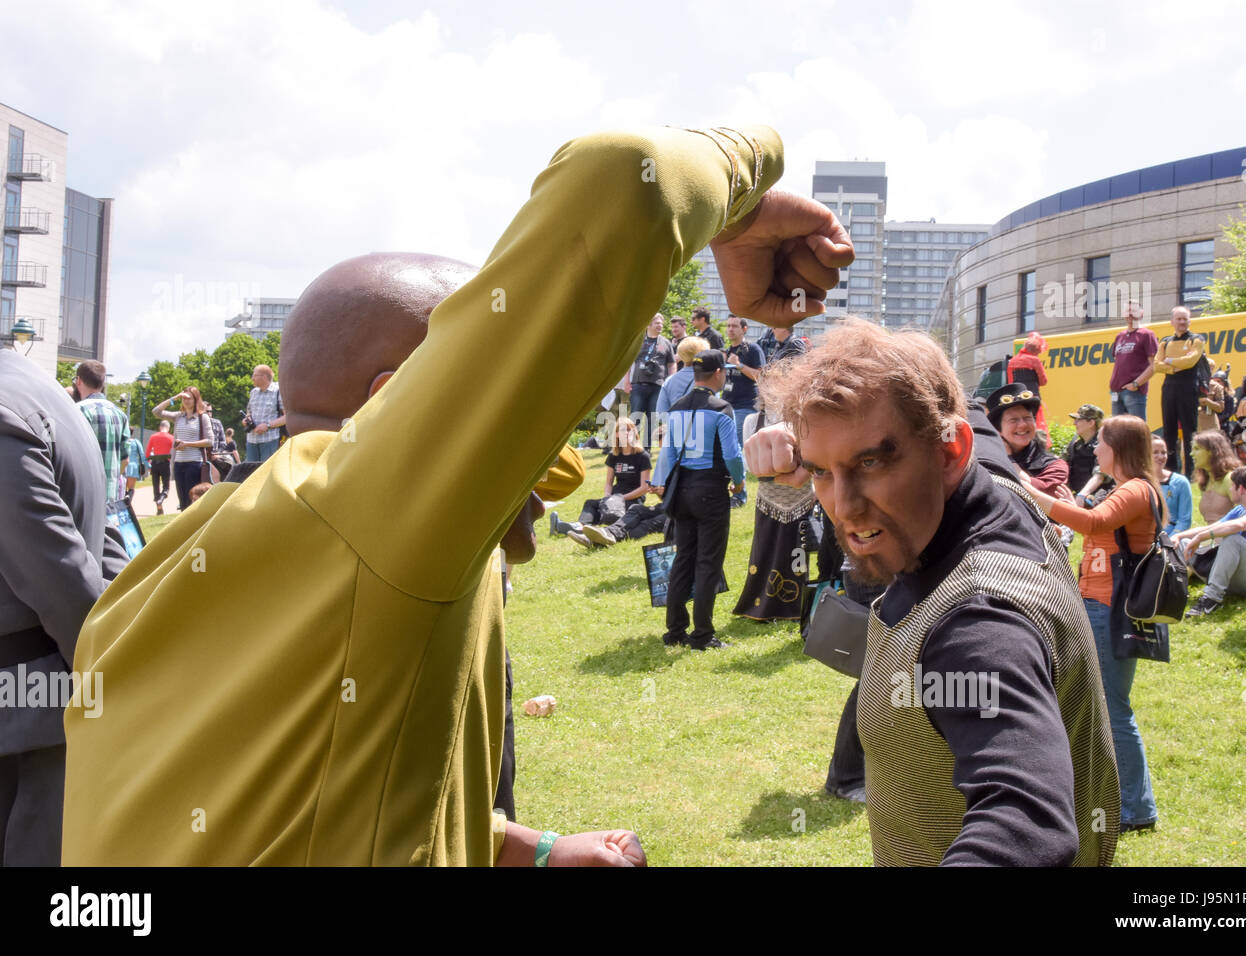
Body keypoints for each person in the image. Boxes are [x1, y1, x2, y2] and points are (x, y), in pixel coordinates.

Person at [63, 122, 853, 865]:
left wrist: (524, 847)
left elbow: (322, 788)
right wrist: (736, 208)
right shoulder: (367, 512)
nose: (541, 453)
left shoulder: (186, 554)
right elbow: (625, 176)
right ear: (393, 403)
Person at [749, 320, 1119, 866]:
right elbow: (949, 403)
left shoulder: (977, 621)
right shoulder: (999, 484)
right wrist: (814, 430)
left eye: (870, 462)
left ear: (950, 452)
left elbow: (1026, 819)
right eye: (822, 471)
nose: (844, 508)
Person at [0, 345, 126, 865]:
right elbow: (107, 544)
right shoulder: (39, 384)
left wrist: (110, 675)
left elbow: (65, 582)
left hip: (26, 721)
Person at [1020, 415, 1162, 834]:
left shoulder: (1135, 488)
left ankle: (1135, 810)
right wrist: (1072, 503)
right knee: (1109, 706)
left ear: (1117, 447)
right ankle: (1125, 802)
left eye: (1101, 442)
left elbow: (1096, 525)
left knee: (1114, 709)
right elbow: (1094, 522)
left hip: (1108, 607)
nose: (1095, 449)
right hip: (1100, 604)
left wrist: (1032, 493)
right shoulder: (1127, 489)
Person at [652, 350, 747, 650]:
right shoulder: (722, 409)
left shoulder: (677, 407)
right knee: (708, 562)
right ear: (718, 373)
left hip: (681, 491)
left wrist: (660, 483)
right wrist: (740, 481)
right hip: (710, 490)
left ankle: (675, 630)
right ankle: (703, 634)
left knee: (683, 558)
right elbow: (732, 454)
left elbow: (667, 453)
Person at [732, 405, 816, 621]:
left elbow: (814, 456)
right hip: (768, 498)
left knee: (798, 552)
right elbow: (750, 461)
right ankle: (760, 603)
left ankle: (796, 605)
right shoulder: (753, 420)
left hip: (801, 497)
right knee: (764, 550)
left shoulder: (806, 418)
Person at [1175, 466, 1246, 619]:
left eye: (1232, 486)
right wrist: (1178, 537)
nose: (1230, 489)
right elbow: (1212, 527)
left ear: (1241, 489)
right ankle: (1175, 590)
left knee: (1233, 540)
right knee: (1184, 543)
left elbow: (1238, 526)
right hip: (1238, 579)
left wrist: (1201, 537)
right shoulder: (1240, 509)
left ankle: (1211, 599)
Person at [551, 417, 651, 538]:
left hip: (633, 499)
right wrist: (607, 498)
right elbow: (609, 483)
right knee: (591, 503)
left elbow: (644, 487)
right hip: (615, 496)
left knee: (620, 511)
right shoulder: (614, 456)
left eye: (630, 430)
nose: (627, 433)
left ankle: (597, 528)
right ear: (617, 434)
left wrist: (621, 498)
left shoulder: (643, 456)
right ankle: (580, 526)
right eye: (624, 430)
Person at [985, 382, 1071, 501]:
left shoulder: (1055, 466)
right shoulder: (985, 462)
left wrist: (1009, 460)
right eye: (1013, 420)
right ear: (997, 429)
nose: (1023, 425)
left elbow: (1036, 494)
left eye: (1027, 418)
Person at [1153, 306, 1206, 475]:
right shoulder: (1165, 341)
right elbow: (1156, 365)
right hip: (1169, 388)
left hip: (1188, 387)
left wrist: (1169, 361)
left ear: (1189, 321)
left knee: (1190, 431)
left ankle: (1191, 472)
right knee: (1169, 431)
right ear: (1172, 322)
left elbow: (1190, 361)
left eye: (1185, 319)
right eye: (1179, 319)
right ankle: (1169, 470)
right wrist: (1174, 368)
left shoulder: (1196, 339)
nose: (1182, 322)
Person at [72, 360, 129, 505]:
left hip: (83, 495)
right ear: (102, 383)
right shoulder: (120, 414)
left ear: (78, 381)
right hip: (111, 495)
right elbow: (125, 460)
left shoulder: (77, 411)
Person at [151, 386, 213, 511]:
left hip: (194, 463)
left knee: (192, 499)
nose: (186, 401)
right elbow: (156, 411)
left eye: (189, 398)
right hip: (179, 463)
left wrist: (187, 444)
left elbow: (210, 441)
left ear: (196, 399)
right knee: (182, 501)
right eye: (183, 398)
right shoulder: (179, 416)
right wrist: (174, 398)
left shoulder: (202, 417)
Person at [627, 314, 675, 448]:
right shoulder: (639, 341)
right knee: (635, 416)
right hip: (638, 384)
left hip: (658, 386)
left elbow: (671, 364)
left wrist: (671, 381)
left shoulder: (666, 343)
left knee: (652, 418)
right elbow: (629, 362)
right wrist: (626, 382)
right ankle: (631, 447)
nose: (660, 325)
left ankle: (646, 448)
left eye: (661, 323)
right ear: (648, 324)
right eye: (657, 323)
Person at [1109, 300, 1159, 419]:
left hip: (1134, 392)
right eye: (1127, 311)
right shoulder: (1119, 336)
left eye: (1134, 311)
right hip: (1116, 391)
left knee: (1137, 431)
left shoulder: (1147, 334)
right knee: (1117, 433)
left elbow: (1155, 364)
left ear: (1141, 314)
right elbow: (1119, 362)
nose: (1130, 314)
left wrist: (1136, 383)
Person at [722, 314, 766, 440]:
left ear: (744, 329)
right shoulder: (728, 350)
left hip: (745, 406)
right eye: (729, 326)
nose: (730, 329)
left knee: (737, 444)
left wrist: (739, 365)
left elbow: (761, 377)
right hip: (727, 404)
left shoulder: (753, 349)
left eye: (735, 326)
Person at [655, 335, 709, 421]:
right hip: (701, 430)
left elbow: (661, 414)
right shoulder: (708, 379)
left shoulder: (669, 381)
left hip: (675, 430)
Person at [1191, 430, 1239, 524]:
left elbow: (1245, 516)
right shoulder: (1205, 481)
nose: (1191, 454)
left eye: (1197, 449)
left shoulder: (1229, 479)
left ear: (1212, 452)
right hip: (1212, 536)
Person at [243, 364, 285, 464]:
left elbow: (287, 417)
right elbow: (249, 412)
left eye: (254, 375)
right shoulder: (253, 392)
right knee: (251, 473)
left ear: (264, 377)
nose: (252, 378)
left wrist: (268, 425)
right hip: (251, 440)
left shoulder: (279, 391)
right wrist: (246, 419)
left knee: (265, 474)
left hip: (270, 441)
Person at [1151, 434, 1192, 536]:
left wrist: (1168, 542)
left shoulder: (1180, 482)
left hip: (1172, 539)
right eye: (1155, 452)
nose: (1161, 457)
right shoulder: (1139, 482)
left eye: (1164, 452)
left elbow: (1184, 521)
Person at [1006, 331, 1048, 430]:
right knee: (1035, 423)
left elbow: (1010, 382)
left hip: (1017, 398)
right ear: (1036, 350)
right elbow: (1043, 381)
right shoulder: (1034, 360)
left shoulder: (1012, 361)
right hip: (1032, 396)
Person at [1061, 403, 1104, 497]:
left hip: (1096, 497)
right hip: (1076, 495)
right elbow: (1061, 464)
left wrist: (1082, 495)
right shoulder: (1074, 443)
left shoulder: (1103, 445)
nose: (1074, 423)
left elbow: (1100, 475)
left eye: (1078, 420)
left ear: (1091, 423)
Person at [145, 420, 174, 515]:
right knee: (166, 486)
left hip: (155, 463)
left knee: (155, 486)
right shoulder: (171, 438)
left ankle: (159, 509)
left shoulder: (153, 437)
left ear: (160, 427)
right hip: (165, 462)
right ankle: (161, 499)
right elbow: (173, 452)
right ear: (168, 428)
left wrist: (148, 463)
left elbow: (148, 452)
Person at [1197, 359, 1226, 435]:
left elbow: (1220, 408)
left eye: (1210, 368)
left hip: (1210, 423)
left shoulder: (1216, 387)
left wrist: (1207, 401)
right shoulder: (1192, 384)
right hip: (1193, 422)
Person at [123, 428, 147, 505]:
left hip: (123, 465)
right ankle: (128, 503)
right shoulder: (136, 442)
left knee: (122, 488)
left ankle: (124, 503)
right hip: (133, 467)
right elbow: (142, 455)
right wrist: (148, 465)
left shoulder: (122, 441)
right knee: (131, 488)